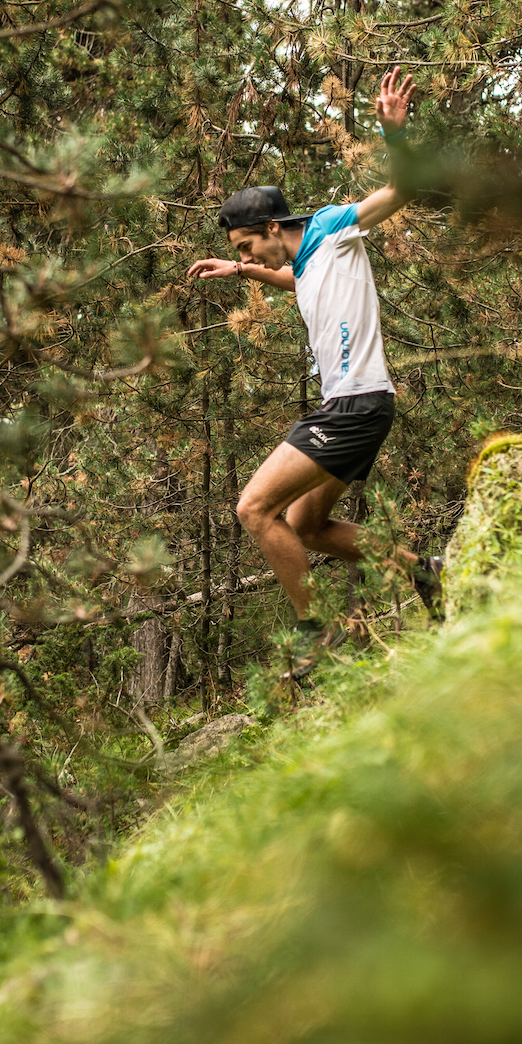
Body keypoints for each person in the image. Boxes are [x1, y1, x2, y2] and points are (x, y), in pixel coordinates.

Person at [187, 67, 443, 676]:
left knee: (254, 509)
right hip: (352, 406)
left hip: (355, 405)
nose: (248, 254)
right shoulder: (300, 259)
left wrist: (395, 137)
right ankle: (421, 569)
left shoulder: (332, 229)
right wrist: (242, 270)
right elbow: (292, 276)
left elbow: (400, 193)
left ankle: (316, 631)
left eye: (249, 246)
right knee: (310, 525)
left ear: (274, 227)